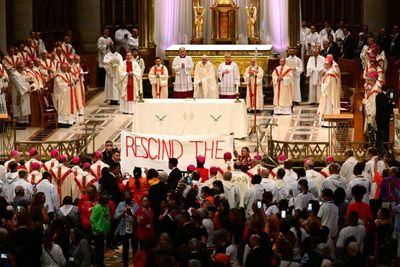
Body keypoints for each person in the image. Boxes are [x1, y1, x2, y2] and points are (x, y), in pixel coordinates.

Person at [115, 191, 139, 267]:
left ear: (131, 196)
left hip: (133, 228)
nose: (127, 196)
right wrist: (123, 213)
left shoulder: (135, 205)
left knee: (135, 247)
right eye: (126, 195)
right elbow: (116, 216)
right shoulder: (120, 204)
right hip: (124, 228)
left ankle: (136, 263)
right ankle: (125, 264)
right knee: (125, 248)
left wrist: (131, 212)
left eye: (129, 195)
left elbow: (137, 217)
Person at [317, 55, 341, 126]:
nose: (324, 65)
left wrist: (322, 84)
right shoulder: (329, 71)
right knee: (326, 108)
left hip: (328, 94)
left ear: (329, 64)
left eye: (326, 64)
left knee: (327, 108)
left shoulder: (330, 73)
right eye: (324, 64)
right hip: (328, 93)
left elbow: (328, 85)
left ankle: (328, 123)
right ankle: (325, 122)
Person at [90, 192, 111, 267]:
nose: (107, 199)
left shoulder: (106, 207)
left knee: (102, 248)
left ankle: (101, 262)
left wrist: (107, 230)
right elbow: (92, 219)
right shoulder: (97, 207)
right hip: (98, 232)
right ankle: (98, 263)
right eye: (106, 198)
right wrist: (99, 229)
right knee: (98, 249)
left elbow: (107, 219)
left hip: (103, 232)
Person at [53, 62, 76, 127]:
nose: (65, 69)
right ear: (60, 68)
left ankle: (69, 121)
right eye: (64, 68)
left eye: (66, 68)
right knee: (64, 108)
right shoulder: (58, 76)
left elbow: (72, 81)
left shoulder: (68, 74)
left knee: (69, 107)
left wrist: (74, 82)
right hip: (62, 95)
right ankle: (63, 122)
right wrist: (67, 84)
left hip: (69, 94)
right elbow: (59, 85)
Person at [11, 61, 31, 127]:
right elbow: (19, 85)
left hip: (25, 94)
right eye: (22, 67)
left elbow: (26, 82)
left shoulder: (22, 74)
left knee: (25, 107)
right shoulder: (14, 75)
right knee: (20, 108)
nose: (23, 69)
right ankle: (20, 123)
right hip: (19, 95)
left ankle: (25, 122)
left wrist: (29, 88)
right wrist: (26, 90)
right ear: (19, 68)